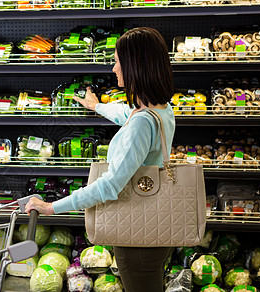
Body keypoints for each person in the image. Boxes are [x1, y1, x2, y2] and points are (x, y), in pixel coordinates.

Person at [25, 27, 175, 292]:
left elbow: (110, 186)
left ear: (134, 66)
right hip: (152, 230)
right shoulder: (160, 109)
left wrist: (51, 207)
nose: (114, 69)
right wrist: (96, 106)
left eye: (117, 61)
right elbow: (126, 115)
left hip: (136, 237)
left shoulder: (142, 121)